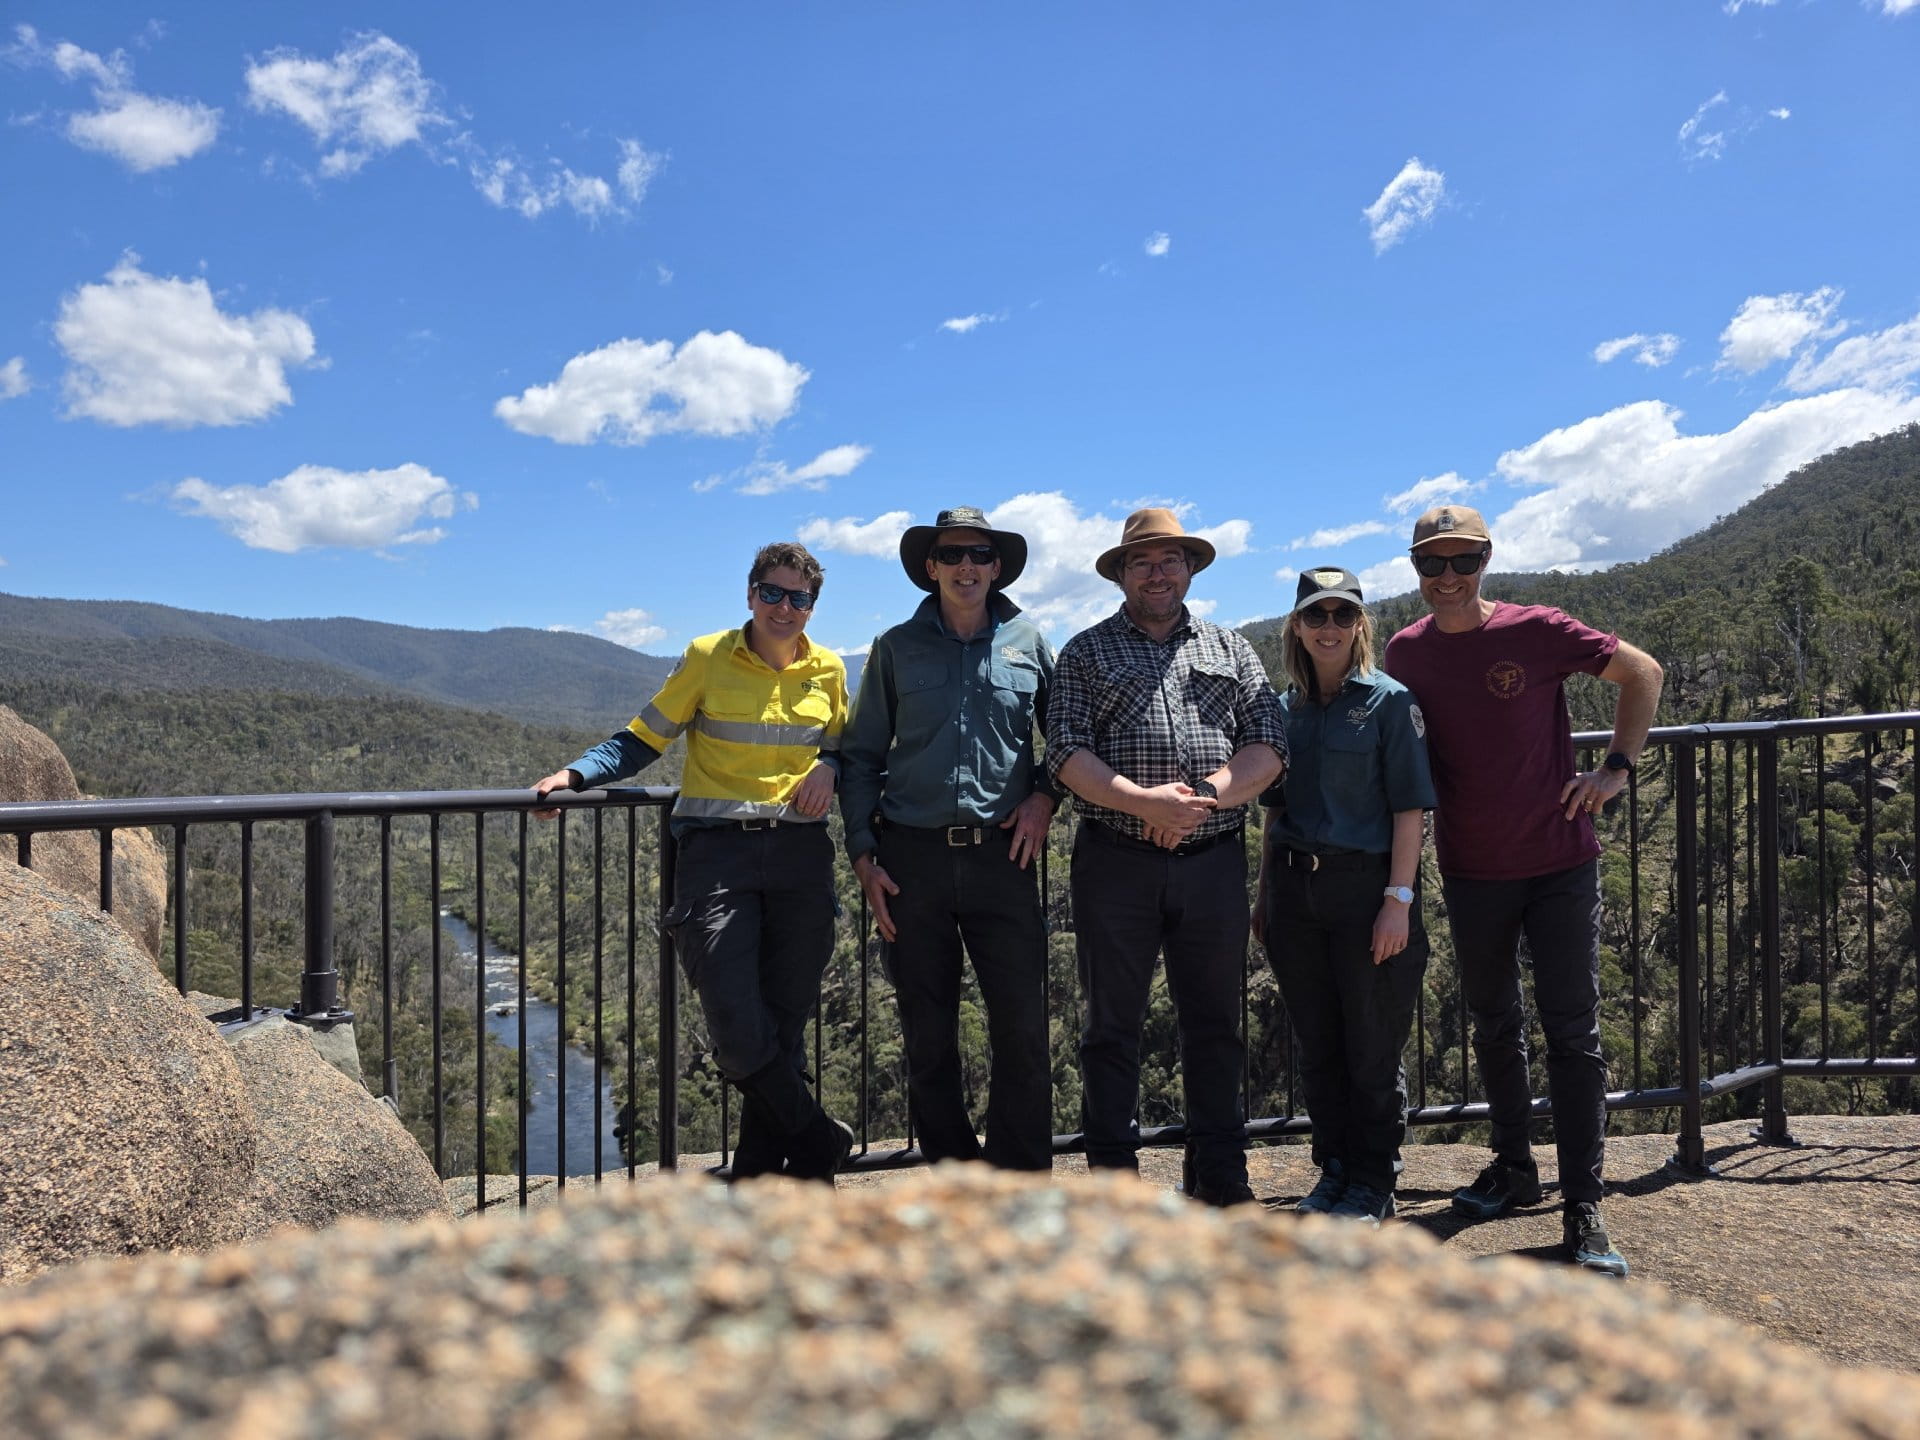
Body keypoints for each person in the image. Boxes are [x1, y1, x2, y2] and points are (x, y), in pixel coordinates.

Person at [1383, 504, 1663, 1275]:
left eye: (1461, 561)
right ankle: (1514, 1170)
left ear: (1486, 562)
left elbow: (1642, 672)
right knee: (1493, 1023)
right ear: (1415, 569)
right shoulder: (1406, 654)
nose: (1446, 577)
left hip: (1559, 863)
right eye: (1431, 563)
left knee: (1572, 1033)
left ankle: (1584, 1204)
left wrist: (1616, 768)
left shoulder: (1536, 629)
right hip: (1473, 868)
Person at [531, 541, 853, 1183]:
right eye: (773, 593)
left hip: (799, 856)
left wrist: (833, 765)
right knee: (735, 1021)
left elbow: (851, 745)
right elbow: (643, 737)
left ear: (812, 607)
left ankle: (772, 1170)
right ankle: (817, 1136)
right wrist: (575, 774)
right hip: (717, 855)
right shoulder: (709, 657)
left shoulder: (831, 671)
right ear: (750, 593)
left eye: (799, 598)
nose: (785, 608)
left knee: (785, 1022)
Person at [1047, 507, 1288, 1206]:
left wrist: (1200, 800)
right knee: (1111, 1028)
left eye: (1170, 559)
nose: (1158, 572)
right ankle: (1115, 1191)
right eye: (1143, 562)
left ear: (1190, 568)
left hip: (1212, 860)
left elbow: (1268, 743)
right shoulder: (1085, 652)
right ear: (1121, 574)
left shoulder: (1232, 648)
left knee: (1216, 1023)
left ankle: (1221, 1177)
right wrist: (1144, 804)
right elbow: (1065, 749)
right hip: (1115, 861)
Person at [839, 506, 1057, 1171]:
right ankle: (954, 1174)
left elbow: (1069, 739)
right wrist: (861, 854)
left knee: (1020, 1025)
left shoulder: (1029, 642)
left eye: (981, 555)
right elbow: (861, 755)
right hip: (912, 860)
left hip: (1004, 857)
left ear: (996, 567)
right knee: (928, 1032)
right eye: (953, 555)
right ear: (930, 568)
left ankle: (1021, 1178)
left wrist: (1045, 797)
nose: (968, 566)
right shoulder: (895, 648)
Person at [1251, 567, 1434, 1226]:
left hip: (1366, 890)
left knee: (1371, 1044)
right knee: (1319, 1041)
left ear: (1360, 625)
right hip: (1297, 891)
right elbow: (1273, 811)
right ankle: (1333, 1169)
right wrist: (1265, 895)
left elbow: (1411, 809)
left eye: (1342, 615)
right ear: (1296, 627)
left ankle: (1374, 1178)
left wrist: (1399, 900)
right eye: (1316, 615)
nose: (1329, 627)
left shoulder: (1388, 703)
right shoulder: (1283, 708)